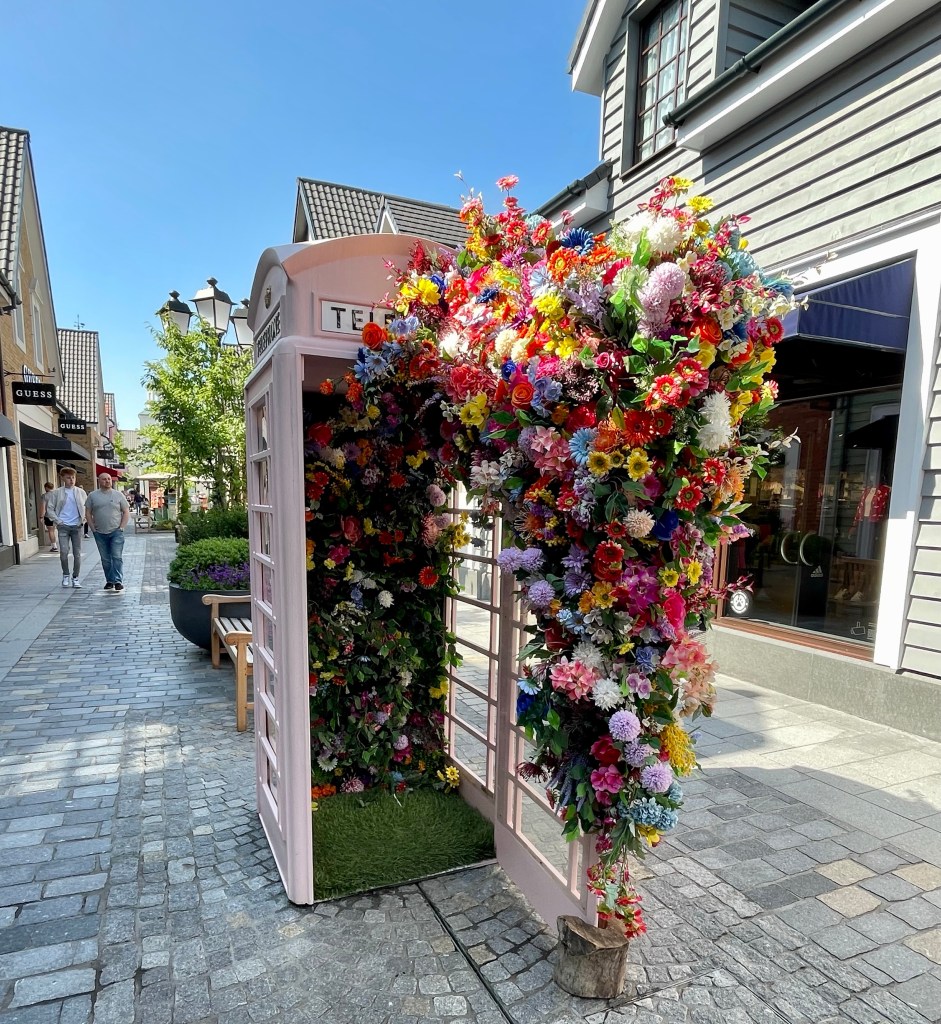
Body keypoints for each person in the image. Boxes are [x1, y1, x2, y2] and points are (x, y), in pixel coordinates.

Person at [86, 472, 130, 593]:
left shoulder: (118, 495)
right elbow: (88, 512)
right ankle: (110, 580)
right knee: (105, 559)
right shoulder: (93, 496)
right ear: (99, 481)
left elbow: (126, 511)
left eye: (109, 479)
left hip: (116, 531)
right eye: (104, 479)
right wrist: (93, 528)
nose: (107, 481)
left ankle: (118, 581)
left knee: (116, 557)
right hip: (100, 532)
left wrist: (122, 527)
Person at [43, 467, 87, 588]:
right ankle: (66, 574)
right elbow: (50, 509)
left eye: (73, 477)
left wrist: (83, 520)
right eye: (68, 478)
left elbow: (87, 507)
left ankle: (76, 577)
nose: (71, 480)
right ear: (62, 478)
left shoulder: (81, 492)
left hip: (77, 526)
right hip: (63, 526)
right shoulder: (57, 493)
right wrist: (58, 521)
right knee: (63, 552)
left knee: (77, 553)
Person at [39, 482, 57, 551]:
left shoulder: (45, 496)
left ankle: (54, 546)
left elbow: (43, 507)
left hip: (48, 515)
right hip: (56, 515)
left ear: (46, 487)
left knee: (51, 531)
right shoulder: (56, 494)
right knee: (54, 530)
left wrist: (41, 516)